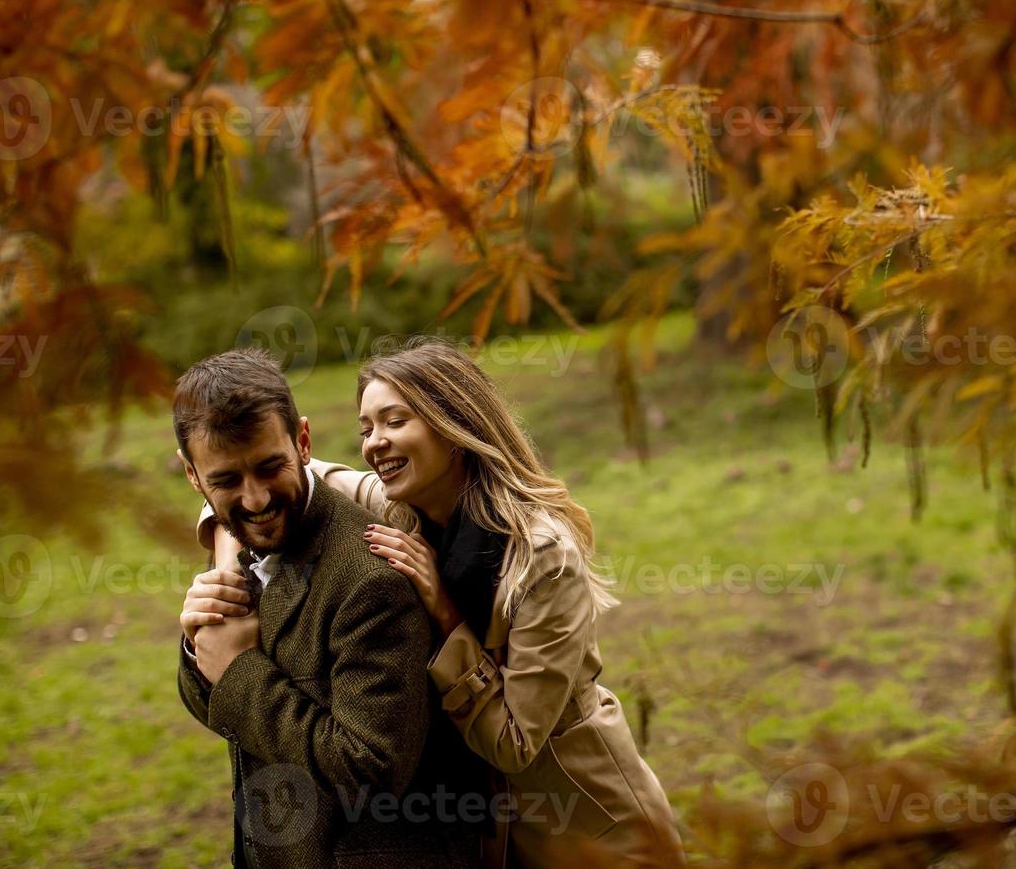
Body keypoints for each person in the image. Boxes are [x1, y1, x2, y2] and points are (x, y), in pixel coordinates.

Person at [193, 337, 687, 868]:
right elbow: (276, 481)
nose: (374, 443)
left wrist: (447, 616)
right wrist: (227, 570)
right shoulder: (398, 503)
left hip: (588, 827)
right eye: (366, 429)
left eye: (394, 421)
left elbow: (514, 744)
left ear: (454, 426)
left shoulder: (543, 556)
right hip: (489, 832)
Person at [173, 347, 483, 868]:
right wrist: (196, 646)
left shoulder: (369, 581)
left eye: (270, 468)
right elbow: (219, 708)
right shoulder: (239, 544)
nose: (254, 500)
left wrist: (237, 670)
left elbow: (372, 769)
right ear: (193, 477)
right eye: (226, 481)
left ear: (303, 441)